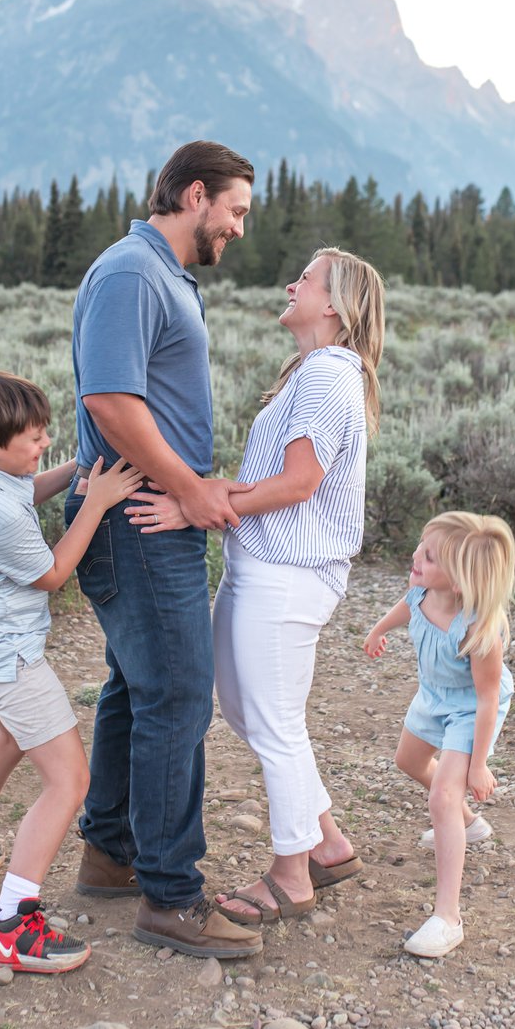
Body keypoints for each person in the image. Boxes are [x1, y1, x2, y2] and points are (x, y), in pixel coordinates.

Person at [129, 248, 385, 927]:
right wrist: (208, 495)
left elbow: (301, 484)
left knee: (272, 722)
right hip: (262, 566)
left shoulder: (331, 374)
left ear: (332, 304)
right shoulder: (313, 371)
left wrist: (197, 504)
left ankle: (292, 875)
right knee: (249, 713)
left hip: (289, 574)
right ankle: (327, 842)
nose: (290, 283)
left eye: (304, 278)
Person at [65, 141, 263, 960]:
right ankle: (171, 897)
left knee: (134, 686)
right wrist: (187, 488)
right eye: (236, 210)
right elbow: (109, 400)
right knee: (179, 694)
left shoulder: (159, 274)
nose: (239, 230)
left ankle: (112, 853)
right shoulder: (131, 273)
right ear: (194, 195)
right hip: (142, 520)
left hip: (145, 514)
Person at [0, 370, 141, 975]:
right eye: (34, 439)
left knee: (13, 735)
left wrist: (74, 471)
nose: (43, 444)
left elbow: (29, 490)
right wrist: (96, 502)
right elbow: (51, 573)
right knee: (70, 781)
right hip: (6, 658)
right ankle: (12, 925)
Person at [363, 512, 515, 958]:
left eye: (428, 556)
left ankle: (448, 918)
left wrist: (479, 763)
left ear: (462, 580)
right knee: (407, 762)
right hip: (434, 696)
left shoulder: (479, 630)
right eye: (419, 546)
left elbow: (487, 700)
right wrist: (378, 629)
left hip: (471, 708)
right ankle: (468, 823)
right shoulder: (424, 589)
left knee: (442, 798)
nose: (415, 557)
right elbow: (408, 606)